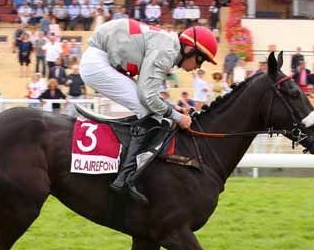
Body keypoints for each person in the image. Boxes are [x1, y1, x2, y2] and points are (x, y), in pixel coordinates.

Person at [80, 19, 217, 203]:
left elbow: (148, 92)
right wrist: (177, 116)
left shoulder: (168, 47)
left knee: (153, 110)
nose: (199, 66)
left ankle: (127, 173)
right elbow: (148, 97)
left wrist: (168, 107)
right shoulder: (167, 51)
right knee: (148, 111)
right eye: (201, 59)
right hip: (98, 64)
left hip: (101, 59)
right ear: (189, 49)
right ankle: (125, 179)